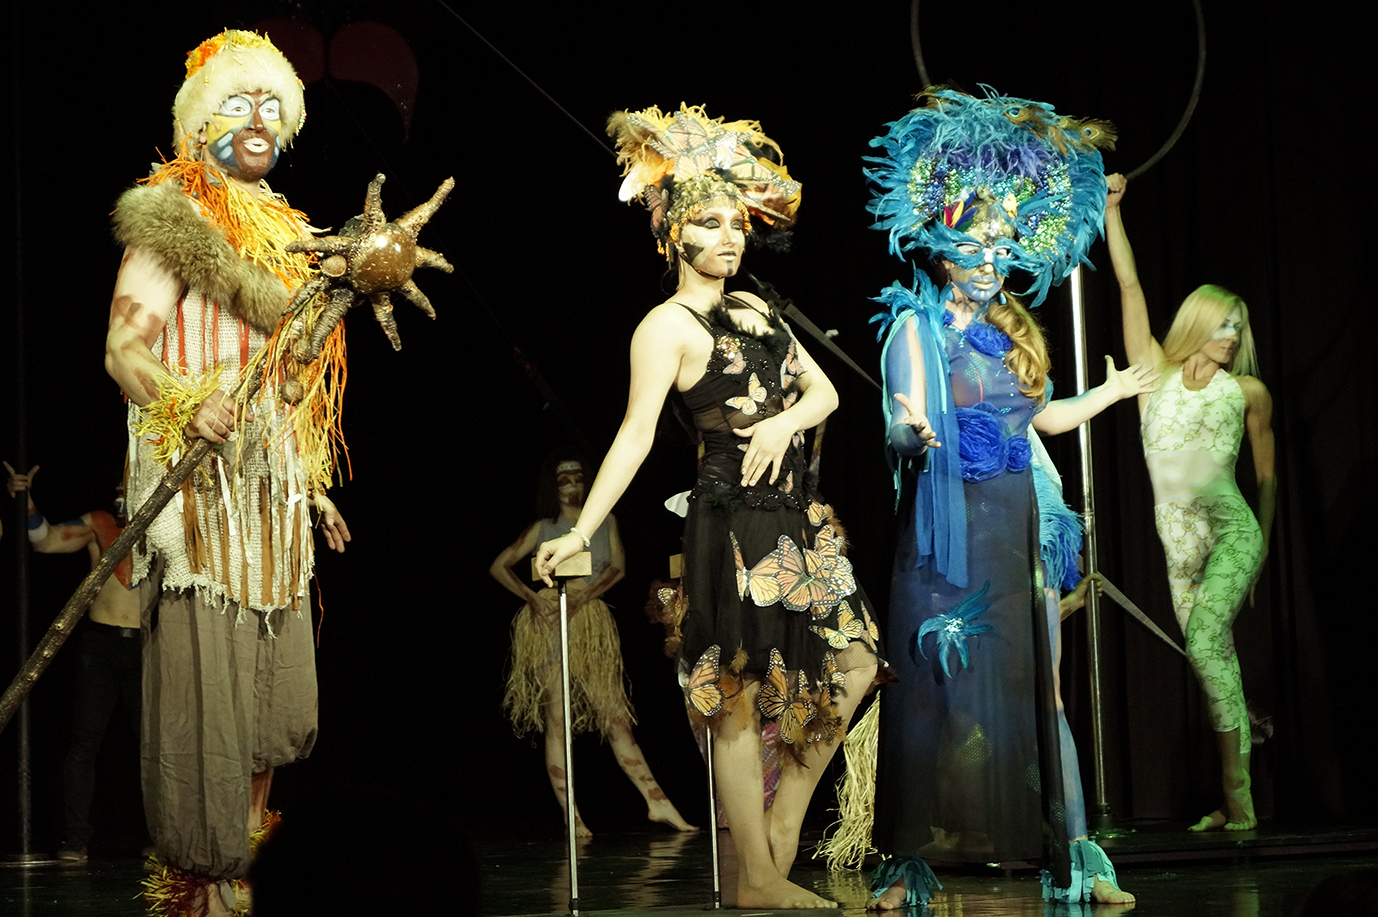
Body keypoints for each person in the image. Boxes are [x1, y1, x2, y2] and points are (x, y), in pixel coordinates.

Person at [536, 104, 881, 909]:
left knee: (859, 662)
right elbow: (633, 436)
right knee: (735, 691)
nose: (730, 237)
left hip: (798, 518)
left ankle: (780, 821)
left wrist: (787, 422)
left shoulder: (759, 310)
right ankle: (756, 874)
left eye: (736, 223)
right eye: (709, 223)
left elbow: (824, 392)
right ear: (673, 234)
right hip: (733, 521)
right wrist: (582, 530)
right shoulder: (667, 326)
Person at [861, 88, 1149, 908]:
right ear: (939, 249)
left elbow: (1038, 418)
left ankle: (1078, 855)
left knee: (1039, 693)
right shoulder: (915, 328)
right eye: (974, 246)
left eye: (1001, 247)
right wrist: (910, 433)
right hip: (946, 539)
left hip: (1019, 530)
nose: (990, 261)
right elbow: (901, 420)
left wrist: (1108, 394)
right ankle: (906, 862)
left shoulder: (1006, 334)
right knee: (932, 691)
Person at [103, 30, 350, 916]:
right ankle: (201, 882)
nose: (258, 118)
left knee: (270, 691)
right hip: (200, 493)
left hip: (272, 493)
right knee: (207, 684)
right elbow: (123, 347)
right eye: (239, 102)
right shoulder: (172, 216)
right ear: (201, 120)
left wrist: (310, 482)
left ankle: (248, 862)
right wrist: (185, 404)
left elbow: (289, 382)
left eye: (272, 105)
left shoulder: (288, 233)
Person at [1104, 173, 1275, 832]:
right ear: (1199, 322)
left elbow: (1267, 479)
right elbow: (1130, 287)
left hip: (1233, 533)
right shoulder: (1154, 377)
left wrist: (1260, 556)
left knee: (1205, 640)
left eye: (1239, 326)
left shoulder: (1247, 392)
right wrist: (1113, 212)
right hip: (1181, 555)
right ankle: (1236, 803)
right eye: (1223, 322)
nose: (1231, 334)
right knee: (1214, 667)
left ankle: (1239, 796)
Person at [491, 451, 696, 836]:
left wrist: (585, 596)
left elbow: (618, 567)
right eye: (563, 480)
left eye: (577, 478)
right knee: (557, 718)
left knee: (616, 716)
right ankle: (571, 816)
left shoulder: (606, 521)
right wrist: (533, 599)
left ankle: (656, 801)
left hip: (590, 622)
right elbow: (499, 565)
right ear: (553, 488)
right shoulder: (544, 527)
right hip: (551, 621)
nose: (572, 485)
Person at [4, 462, 144, 862]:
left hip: (147, 646)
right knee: (84, 742)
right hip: (100, 646)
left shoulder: (166, 530)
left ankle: (163, 834)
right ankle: (75, 838)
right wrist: (25, 500)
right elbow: (45, 540)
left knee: (152, 745)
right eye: (119, 487)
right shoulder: (100, 523)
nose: (123, 494)